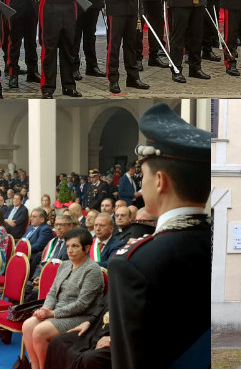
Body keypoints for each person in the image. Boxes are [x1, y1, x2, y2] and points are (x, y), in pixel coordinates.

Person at [107, 104, 211, 368]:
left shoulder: (132, 265)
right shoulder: (212, 244)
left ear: (160, 181)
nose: (141, 185)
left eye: (143, 175)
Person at [22, 227, 105, 369]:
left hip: (81, 317)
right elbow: (52, 292)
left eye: (75, 246)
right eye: (67, 246)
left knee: (39, 331)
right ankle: (34, 366)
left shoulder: (92, 270)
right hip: (56, 311)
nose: (70, 250)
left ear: (86, 248)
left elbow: (83, 304)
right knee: (28, 325)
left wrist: (53, 313)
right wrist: (45, 308)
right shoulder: (65, 265)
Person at [45, 301, 113, 369]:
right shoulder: (115, 291)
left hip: (118, 340)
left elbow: (82, 303)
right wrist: (89, 321)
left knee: (88, 358)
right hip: (97, 327)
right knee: (57, 342)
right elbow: (103, 303)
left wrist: (112, 341)